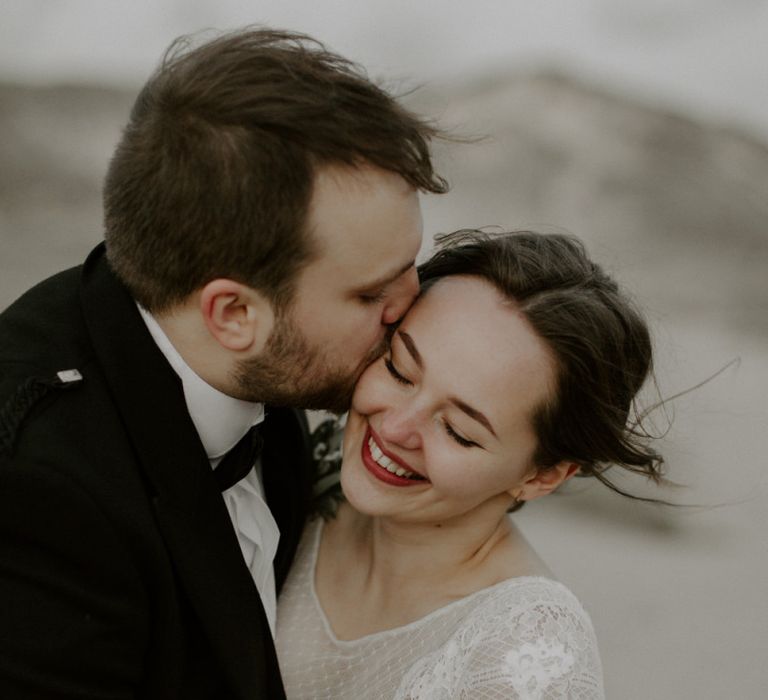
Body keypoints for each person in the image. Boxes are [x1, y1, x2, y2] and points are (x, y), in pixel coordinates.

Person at [0, 28, 446, 699]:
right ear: (234, 315)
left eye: (412, 265)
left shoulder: (257, 362)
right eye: (371, 291)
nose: (411, 307)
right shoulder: (39, 496)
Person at [276, 230, 666, 699]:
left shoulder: (524, 661)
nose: (396, 428)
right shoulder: (297, 459)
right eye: (400, 369)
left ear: (543, 475)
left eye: (458, 431)